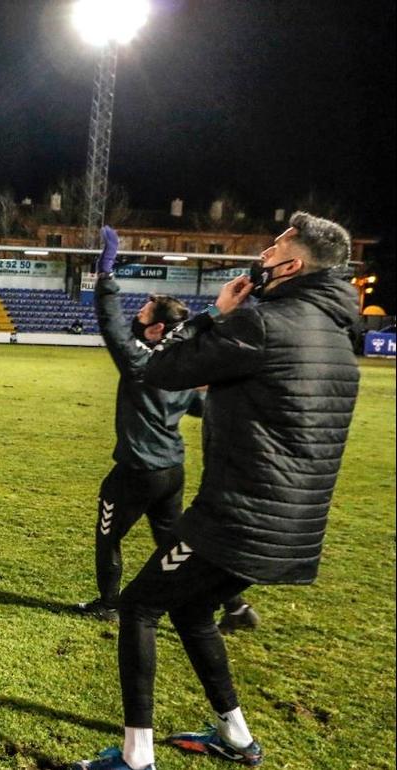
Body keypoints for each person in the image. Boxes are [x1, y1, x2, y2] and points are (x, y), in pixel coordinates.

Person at [74, 212, 360, 770]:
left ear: (291, 265)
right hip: (293, 523)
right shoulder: (335, 333)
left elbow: (161, 370)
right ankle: (235, 737)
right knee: (193, 610)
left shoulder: (264, 323)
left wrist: (216, 313)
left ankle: (135, 758)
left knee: (137, 606)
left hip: (239, 517)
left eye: (273, 247)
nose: (262, 253)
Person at [75, 227, 203, 622]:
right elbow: (198, 408)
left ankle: (109, 605)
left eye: (143, 314)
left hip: (137, 470)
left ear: (156, 329)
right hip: (172, 470)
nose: (135, 317)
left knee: (108, 535)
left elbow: (110, 322)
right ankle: (218, 603)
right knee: (170, 540)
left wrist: (107, 272)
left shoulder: (140, 362)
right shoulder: (183, 364)